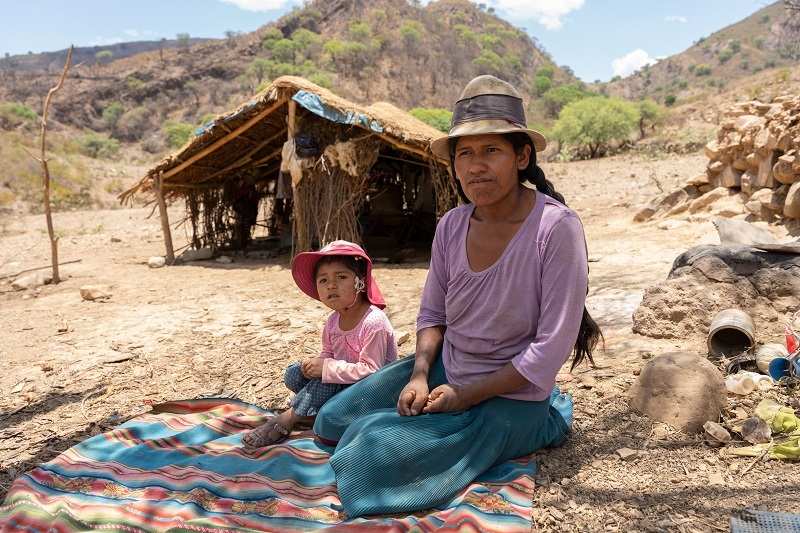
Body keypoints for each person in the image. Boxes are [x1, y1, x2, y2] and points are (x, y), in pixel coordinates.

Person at [312, 75, 602, 517]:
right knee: (333, 420)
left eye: (491, 150)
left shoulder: (556, 228)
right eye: (465, 153)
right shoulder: (452, 225)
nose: (475, 166)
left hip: (509, 394)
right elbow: (433, 314)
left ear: (522, 156)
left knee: (365, 457)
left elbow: (548, 350)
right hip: (448, 367)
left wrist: (465, 396)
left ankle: (545, 420)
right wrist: (419, 376)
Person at [243, 240, 398, 448]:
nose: (331, 285)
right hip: (344, 382)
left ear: (360, 281)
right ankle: (310, 411)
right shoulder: (333, 321)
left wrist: (326, 368)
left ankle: (287, 419)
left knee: (326, 379)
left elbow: (373, 371)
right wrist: (316, 364)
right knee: (294, 373)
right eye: (323, 280)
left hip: (372, 392)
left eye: (341, 277)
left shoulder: (373, 322)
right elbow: (328, 354)